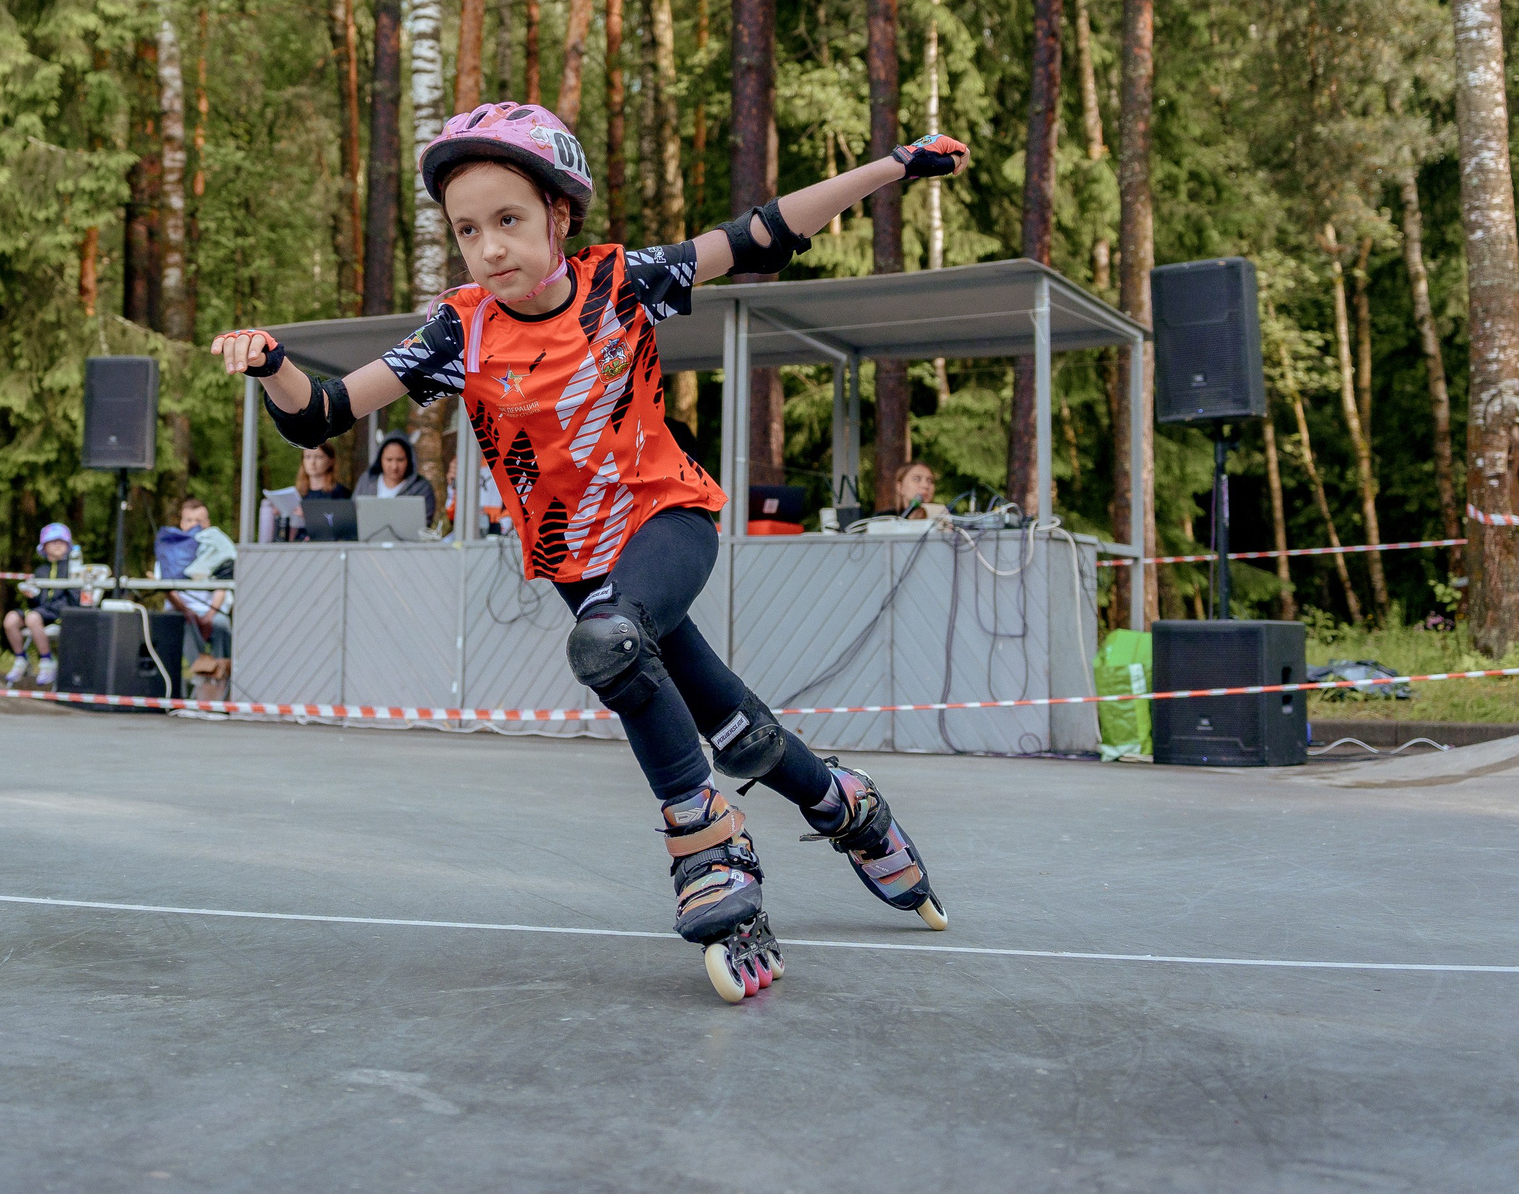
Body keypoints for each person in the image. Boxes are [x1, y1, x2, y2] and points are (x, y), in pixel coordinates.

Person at [211, 100, 972, 1003]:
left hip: (667, 522)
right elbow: (323, 413)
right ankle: (847, 805)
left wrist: (890, 166)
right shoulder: (460, 331)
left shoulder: (622, 282)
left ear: (557, 219)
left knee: (612, 642)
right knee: (735, 731)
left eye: (509, 221)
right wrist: (272, 366)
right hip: (579, 565)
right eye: (467, 230)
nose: (490, 249)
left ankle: (711, 850)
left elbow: (762, 232)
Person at [160, 498, 238, 702]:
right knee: (182, 626)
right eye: (189, 520)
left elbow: (223, 585)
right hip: (181, 612)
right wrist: (187, 612)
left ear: (208, 524)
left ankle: (220, 683)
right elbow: (168, 589)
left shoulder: (217, 547)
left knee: (222, 627)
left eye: (199, 520)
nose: (193, 525)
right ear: (181, 523)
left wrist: (210, 615)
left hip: (212, 611)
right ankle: (199, 683)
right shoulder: (170, 548)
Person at [4, 523, 75, 688]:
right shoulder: (40, 570)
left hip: (58, 614)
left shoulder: (71, 569)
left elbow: (74, 597)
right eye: (53, 541)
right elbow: (35, 602)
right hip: (39, 611)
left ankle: (46, 660)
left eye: (62, 541)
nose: (58, 545)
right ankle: (21, 658)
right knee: (11, 619)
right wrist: (31, 595)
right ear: (44, 546)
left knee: (33, 618)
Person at [354, 431, 439, 526]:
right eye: (389, 459)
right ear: (380, 458)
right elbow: (352, 513)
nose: (394, 466)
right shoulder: (366, 481)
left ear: (409, 459)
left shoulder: (422, 488)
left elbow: (424, 523)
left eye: (400, 460)